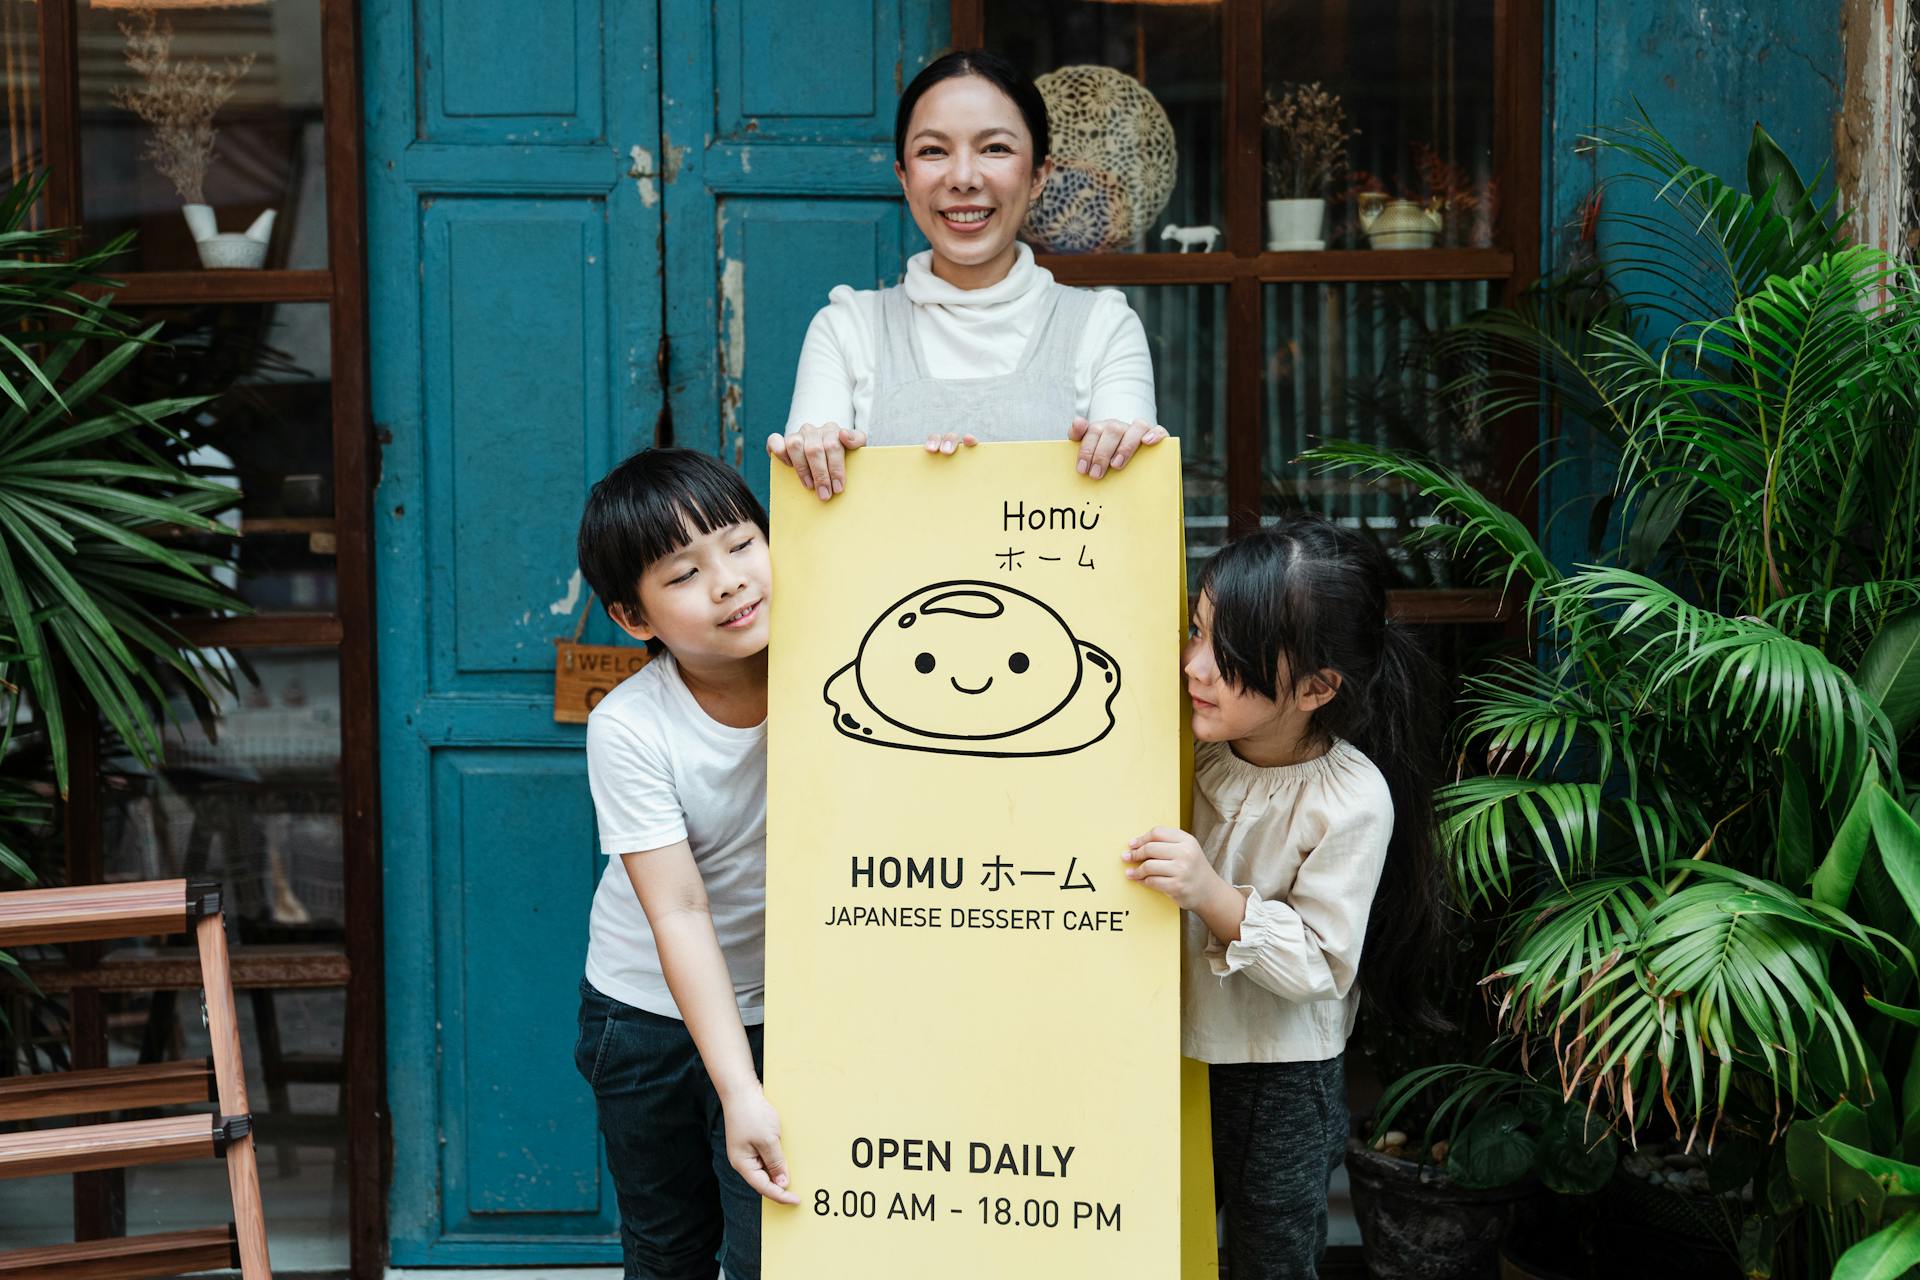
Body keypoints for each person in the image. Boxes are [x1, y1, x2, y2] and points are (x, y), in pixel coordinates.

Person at [1121, 516, 1451, 1280]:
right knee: (1156, 1239)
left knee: (1273, 1253)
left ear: (1315, 688)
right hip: (1161, 1047)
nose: (1194, 666)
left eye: (1228, 654)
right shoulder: (1181, 741)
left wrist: (1212, 894)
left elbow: (1321, 965)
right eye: (1196, 630)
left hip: (1278, 1069)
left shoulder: (1351, 800)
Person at [572, 447, 799, 1280]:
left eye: (741, 545)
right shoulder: (631, 727)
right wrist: (737, 1088)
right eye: (684, 574)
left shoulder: (842, 664)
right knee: (668, 1252)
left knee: (772, 1253)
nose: (731, 581)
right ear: (634, 618)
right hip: (645, 1016)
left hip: (791, 1007)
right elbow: (680, 912)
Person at [770, 48, 1169, 501]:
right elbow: (817, 508)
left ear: (1039, 174)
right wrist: (813, 455)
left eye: (995, 148)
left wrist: (1119, 451)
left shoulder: (1104, 327)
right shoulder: (845, 329)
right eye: (933, 150)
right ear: (903, 176)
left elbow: (1125, 508)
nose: (963, 177)